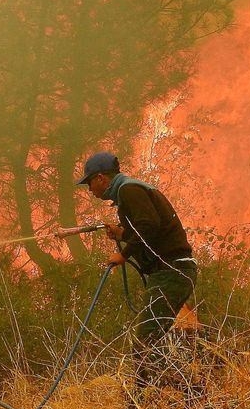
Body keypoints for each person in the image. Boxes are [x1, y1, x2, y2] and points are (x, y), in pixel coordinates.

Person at [76, 151, 197, 386]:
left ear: (101, 178)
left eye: (89, 183)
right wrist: (124, 234)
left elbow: (148, 225)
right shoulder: (131, 191)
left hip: (171, 272)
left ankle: (144, 405)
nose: (90, 190)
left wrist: (123, 254)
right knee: (164, 340)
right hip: (172, 272)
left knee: (145, 343)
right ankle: (184, 396)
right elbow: (151, 227)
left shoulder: (129, 190)